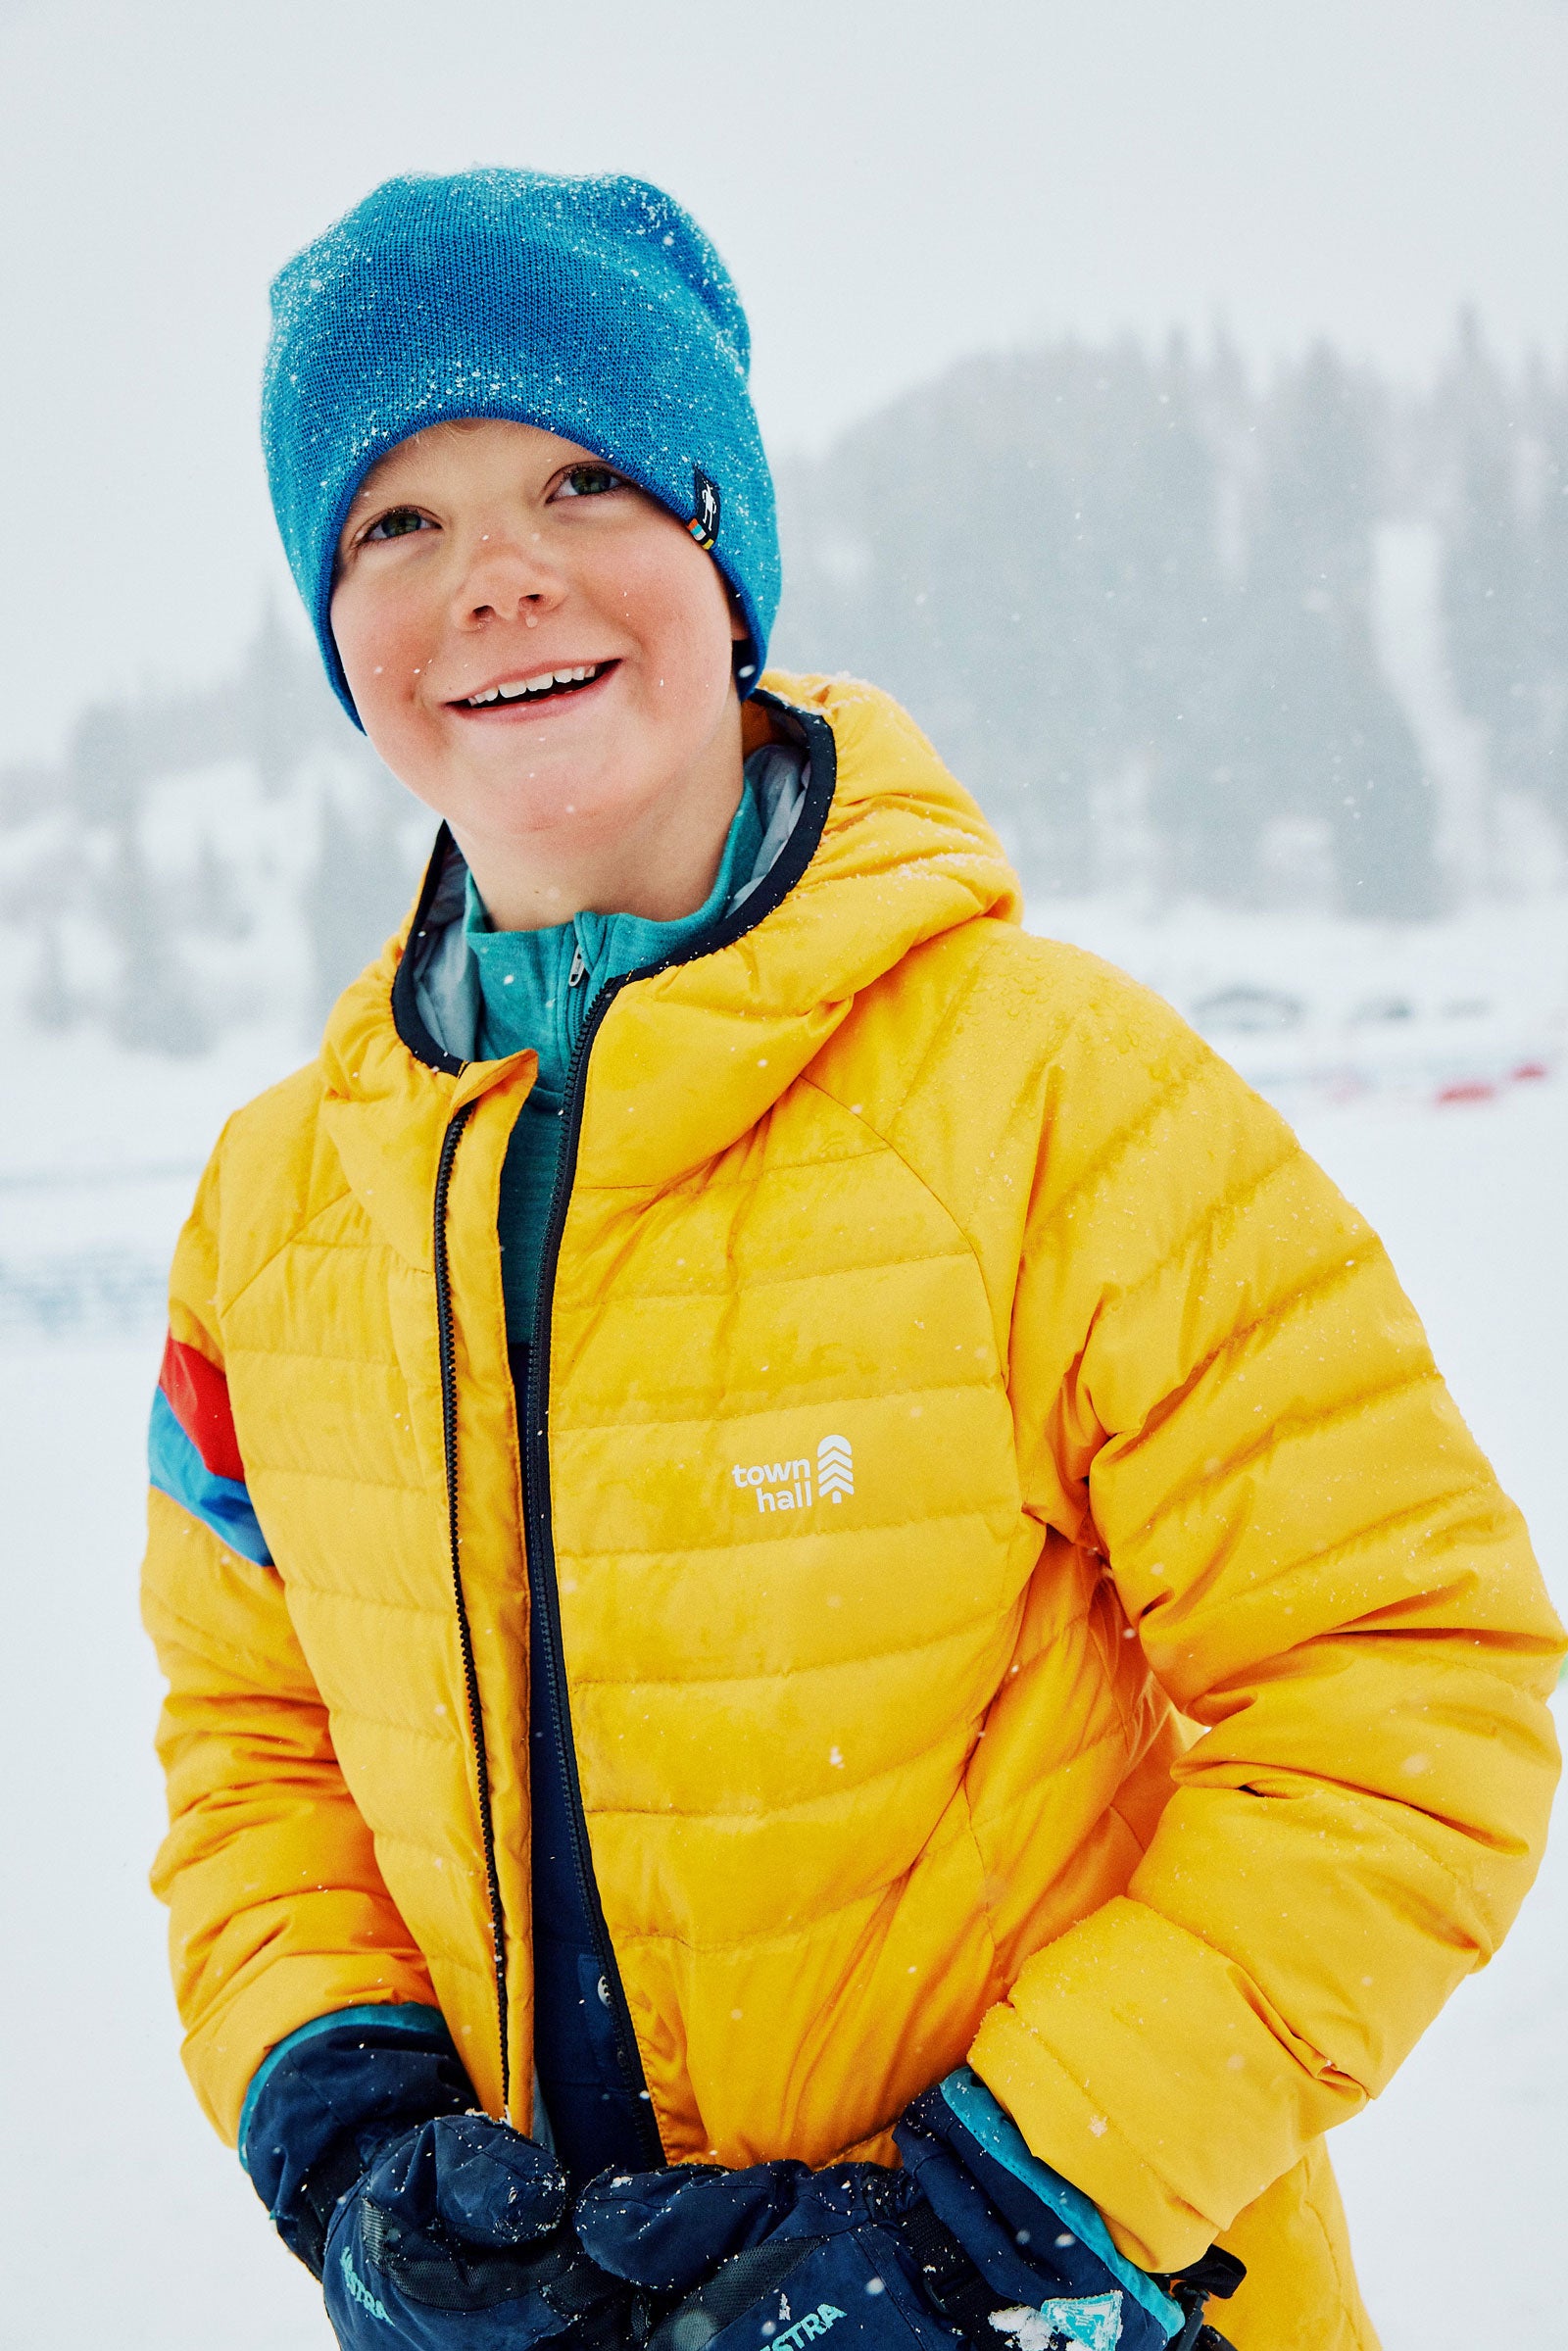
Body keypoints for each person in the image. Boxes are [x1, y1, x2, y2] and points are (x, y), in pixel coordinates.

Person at [141, 170, 1563, 2351]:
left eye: (578, 479)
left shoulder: (1050, 1095)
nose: (495, 574)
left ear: (723, 553)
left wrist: (991, 2223)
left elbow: (1408, 1686)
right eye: (390, 526)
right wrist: (341, 2130)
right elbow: (251, 1745)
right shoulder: (274, 1215)